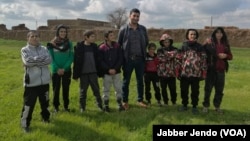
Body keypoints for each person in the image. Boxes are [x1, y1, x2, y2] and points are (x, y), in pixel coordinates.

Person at [117, 8, 149, 110]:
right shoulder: (123, 29)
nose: (136, 18)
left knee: (140, 81)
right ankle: (125, 101)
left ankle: (140, 100)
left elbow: (146, 42)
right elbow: (119, 44)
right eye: (134, 16)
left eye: (138, 16)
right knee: (126, 81)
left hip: (140, 60)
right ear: (130, 16)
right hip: (128, 60)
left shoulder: (143, 29)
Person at [20, 30, 51, 133]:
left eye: (37, 36)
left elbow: (49, 60)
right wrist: (40, 60)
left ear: (39, 38)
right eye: (32, 36)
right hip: (31, 83)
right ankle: (25, 125)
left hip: (44, 82)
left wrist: (34, 60)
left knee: (45, 103)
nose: (34, 38)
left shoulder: (44, 48)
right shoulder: (24, 50)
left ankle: (45, 119)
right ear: (28, 38)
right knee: (28, 105)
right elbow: (27, 62)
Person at [202, 27, 233, 114]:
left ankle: (217, 106)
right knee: (208, 90)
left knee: (219, 90)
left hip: (221, 71)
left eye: (221, 33)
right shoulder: (210, 42)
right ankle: (205, 106)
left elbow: (230, 56)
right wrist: (204, 44)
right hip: (211, 70)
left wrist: (225, 56)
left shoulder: (225, 44)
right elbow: (201, 50)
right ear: (214, 34)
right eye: (217, 33)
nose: (219, 34)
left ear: (223, 34)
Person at [177, 29, 207, 114]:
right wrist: (178, 72)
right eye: (191, 34)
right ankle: (184, 105)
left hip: (195, 74)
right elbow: (178, 59)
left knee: (195, 92)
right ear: (188, 35)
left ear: (196, 36)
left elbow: (204, 60)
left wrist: (203, 73)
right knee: (184, 91)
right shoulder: (183, 46)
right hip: (184, 74)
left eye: (194, 34)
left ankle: (194, 106)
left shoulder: (200, 47)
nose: (193, 36)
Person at [72, 30, 103, 112]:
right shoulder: (79, 47)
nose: (94, 38)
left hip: (93, 73)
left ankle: (100, 106)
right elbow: (76, 62)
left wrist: (99, 72)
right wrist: (75, 75)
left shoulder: (94, 47)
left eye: (94, 36)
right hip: (83, 74)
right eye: (92, 36)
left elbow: (98, 60)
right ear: (86, 37)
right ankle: (82, 107)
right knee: (83, 92)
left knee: (96, 90)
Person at [47, 24, 74, 113]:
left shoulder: (69, 43)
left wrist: (64, 68)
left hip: (66, 70)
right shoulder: (52, 44)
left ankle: (66, 106)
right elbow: (50, 58)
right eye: (61, 31)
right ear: (58, 32)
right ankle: (56, 107)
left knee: (66, 89)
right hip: (56, 71)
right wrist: (57, 68)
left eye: (65, 32)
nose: (63, 33)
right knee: (56, 89)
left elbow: (71, 57)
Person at [98, 30, 125, 112]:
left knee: (118, 88)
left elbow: (120, 59)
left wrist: (115, 69)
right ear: (106, 37)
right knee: (106, 89)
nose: (113, 37)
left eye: (113, 35)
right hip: (107, 73)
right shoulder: (101, 48)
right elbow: (100, 61)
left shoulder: (117, 46)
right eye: (111, 35)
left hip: (116, 72)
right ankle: (106, 105)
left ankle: (120, 104)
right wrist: (108, 69)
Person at [157, 33, 178, 106]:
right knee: (163, 89)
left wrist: (166, 55)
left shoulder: (175, 49)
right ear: (162, 42)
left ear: (170, 42)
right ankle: (165, 102)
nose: (167, 43)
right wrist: (170, 56)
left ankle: (174, 101)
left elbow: (175, 55)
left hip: (172, 73)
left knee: (173, 89)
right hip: (162, 73)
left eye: (168, 42)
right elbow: (160, 58)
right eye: (165, 42)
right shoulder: (159, 49)